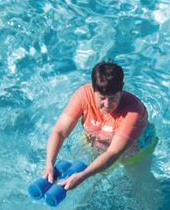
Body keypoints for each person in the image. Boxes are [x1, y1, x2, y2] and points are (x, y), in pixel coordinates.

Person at [40, 60, 157, 197]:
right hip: (96, 143)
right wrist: (49, 164)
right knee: (84, 191)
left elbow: (113, 153)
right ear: (93, 89)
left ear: (121, 90)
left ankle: (150, 209)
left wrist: (83, 175)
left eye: (113, 98)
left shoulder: (134, 111)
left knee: (143, 188)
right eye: (102, 98)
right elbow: (60, 131)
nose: (107, 105)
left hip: (133, 152)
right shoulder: (84, 95)